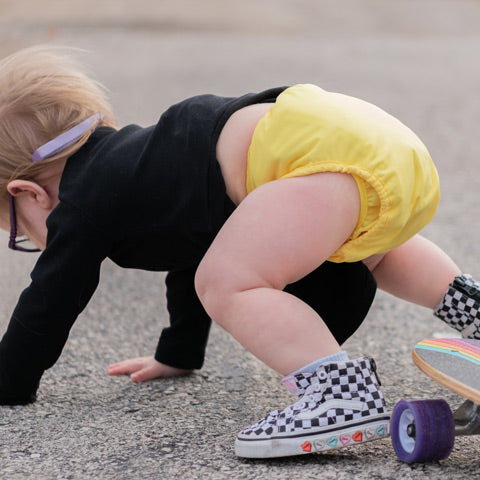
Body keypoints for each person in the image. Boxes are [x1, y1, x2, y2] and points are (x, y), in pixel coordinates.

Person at [0, 46, 479, 459]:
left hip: (316, 160)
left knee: (225, 282)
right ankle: (473, 311)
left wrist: (10, 381)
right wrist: (179, 352)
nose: (38, 242)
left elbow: (50, 300)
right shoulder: (143, 167)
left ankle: (340, 395)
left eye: (19, 232)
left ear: (28, 193)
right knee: (375, 249)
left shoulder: (84, 199)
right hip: (375, 140)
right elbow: (189, 249)